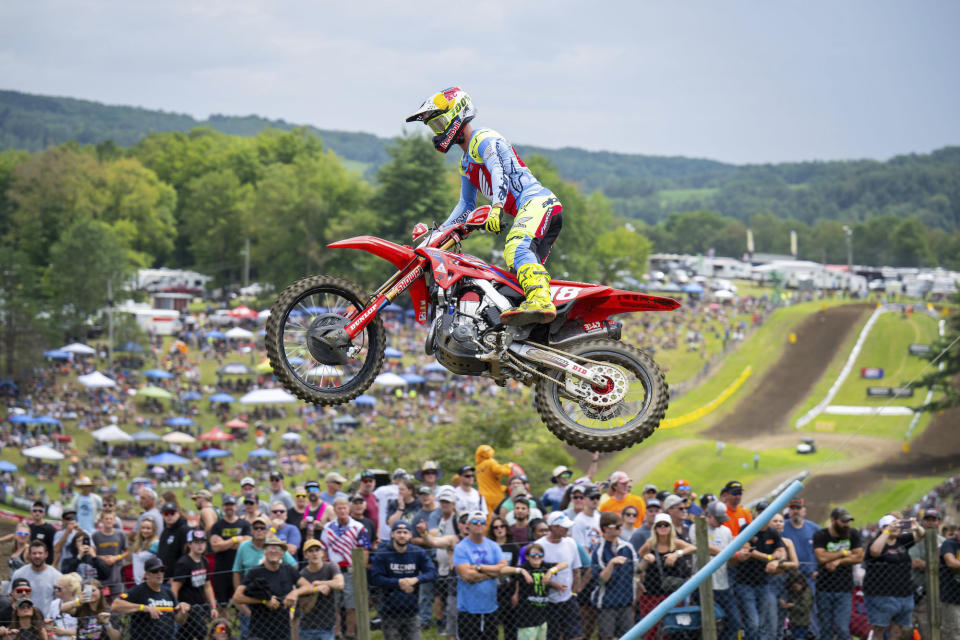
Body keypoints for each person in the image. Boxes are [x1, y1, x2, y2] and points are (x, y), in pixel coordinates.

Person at [406, 87, 564, 325]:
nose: (438, 132)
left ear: (457, 115)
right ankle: (535, 330)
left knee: (516, 248)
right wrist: (436, 237)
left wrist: (497, 207)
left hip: (538, 202)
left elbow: (497, 169)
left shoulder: (483, 138)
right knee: (513, 278)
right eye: (434, 127)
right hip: (532, 209)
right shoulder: (465, 164)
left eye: (440, 123)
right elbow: (465, 206)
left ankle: (541, 301)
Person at [232, 536, 312, 640]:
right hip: (259, 633)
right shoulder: (255, 572)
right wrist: (264, 601)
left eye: (277, 548)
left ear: (282, 553)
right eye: (270, 548)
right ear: (264, 552)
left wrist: (295, 593)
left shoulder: (288, 569)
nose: (273, 551)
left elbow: (309, 587)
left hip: (283, 632)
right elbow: (237, 597)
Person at [371, 520, 438, 640]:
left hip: (412, 611)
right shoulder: (383, 553)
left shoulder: (417, 552)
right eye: (399, 532)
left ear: (410, 535)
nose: (402, 535)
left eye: (405, 532)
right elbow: (376, 578)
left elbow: (432, 572)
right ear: (392, 534)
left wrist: (416, 579)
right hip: (389, 612)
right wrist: (398, 583)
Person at [863, 514, 923, 640]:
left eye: (897, 525)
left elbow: (921, 535)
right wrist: (887, 531)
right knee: (879, 630)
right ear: (882, 528)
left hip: (903, 595)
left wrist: (916, 527)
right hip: (880, 595)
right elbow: (875, 551)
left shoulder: (902, 541)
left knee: (897, 631)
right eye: (890, 525)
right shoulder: (877, 542)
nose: (895, 528)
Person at [732, 503, 786, 640]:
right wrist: (769, 558)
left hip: (763, 583)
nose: (762, 514)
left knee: (762, 622)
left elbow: (781, 550)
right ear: (755, 514)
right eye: (760, 511)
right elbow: (747, 549)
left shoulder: (772, 532)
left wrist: (775, 561)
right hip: (744, 583)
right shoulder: (747, 529)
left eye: (766, 512)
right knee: (753, 622)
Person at [636, 514, 695, 640]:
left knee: (671, 629)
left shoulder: (676, 543)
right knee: (650, 630)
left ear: (670, 527)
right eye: (659, 525)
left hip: (672, 594)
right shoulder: (650, 544)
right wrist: (646, 558)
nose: (662, 527)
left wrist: (677, 554)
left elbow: (693, 548)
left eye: (666, 525)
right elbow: (640, 556)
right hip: (651, 593)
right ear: (655, 528)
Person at [319, 497, 371, 640]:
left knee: (351, 605)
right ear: (334, 510)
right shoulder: (328, 528)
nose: (342, 511)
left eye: (344, 508)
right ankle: (336, 633)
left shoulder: (358, 527)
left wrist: (361, 571)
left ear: (349, 509)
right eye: (339, 508)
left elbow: (364, 550)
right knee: (333, 605)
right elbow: (323, 549)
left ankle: (351, 633)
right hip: (333, 571)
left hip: (351, 570)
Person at [452, 510, 509, 640]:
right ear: (468, 526)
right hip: (468, 610)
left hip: (490, 608)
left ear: (485, 525)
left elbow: (504, 568)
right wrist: (493, 573)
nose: (479, 524)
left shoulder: (493, 546)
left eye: (482, 522)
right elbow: (467, 576)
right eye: (475, 522)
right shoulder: (461, 548)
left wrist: (479, 568)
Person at [689, 500, 741, 640]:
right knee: (707, 622)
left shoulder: (726, 531)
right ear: (709, 516)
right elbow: (704, 548)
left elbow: (731, 559)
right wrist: (728, 553)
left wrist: (737, 557)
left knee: (734, 621)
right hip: (701, 584)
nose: (721, 522)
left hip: (722, 584)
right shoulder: (696, 528)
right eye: (719, 519)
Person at [813, 507, 864, 640]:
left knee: (842, 628)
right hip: (824, 589)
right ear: (833, 520)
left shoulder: (853, 533)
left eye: (848, 521)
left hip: (845, 589)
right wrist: (844, 552)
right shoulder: (821, 535)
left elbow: (859, 556)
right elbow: (822, 558)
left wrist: (838, 561)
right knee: (826, 629)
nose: (846, 525)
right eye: (843, 522)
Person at [112, 556, 190, 640]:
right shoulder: (138, 590)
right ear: (146, 575)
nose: (159, 574)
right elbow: (115, 605)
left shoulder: (168, 592)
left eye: (162, 570)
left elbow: (180, 621)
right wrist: (144, 607)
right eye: (155, 571)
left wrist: (183, 611)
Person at [535, 511, 584, 640]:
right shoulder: (539, 546)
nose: (567, 528)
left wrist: (573, 593)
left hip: (568, 600)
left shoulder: (571, 543)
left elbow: (576, 570)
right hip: (548, 602)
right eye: (563, 526)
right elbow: (536, 575)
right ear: (553, 527)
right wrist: (553, 584)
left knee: (576, 636)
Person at [590, 512, 638, 640]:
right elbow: (600, 580)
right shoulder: (598, 551)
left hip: (626, 602)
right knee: (607, 637)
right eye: (617, 527)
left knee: (628, 636)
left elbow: (638, 570)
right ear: (606, 528)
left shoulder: (628, 547)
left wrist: (646, 560)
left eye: (621, 526)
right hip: (607, 604)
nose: (620, 529)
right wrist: (611, 564)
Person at [513, 542, 568, 640]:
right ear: (527, 557)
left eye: (540, 555)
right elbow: (504, 570)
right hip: (527, 619)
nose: (537, 557)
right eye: (533, 555)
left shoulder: (545, 566)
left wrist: (550, 571)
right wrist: (522, 571)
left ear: (543, 557)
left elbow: (564, 564)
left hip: (542, 617)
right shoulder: (524, 568)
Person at [170, 530, 219, 640]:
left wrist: (213, 606)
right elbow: (174, 588)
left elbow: (207, 586)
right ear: (189, 544)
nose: (200, 545)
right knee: (204, 634)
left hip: (200, 607)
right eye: (196, 542)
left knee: (185, 636)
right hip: (187, 610)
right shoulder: (183, 563)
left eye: (202, 542)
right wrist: (176, 609)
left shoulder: (204, 561)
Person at [297, 539, 344, 640]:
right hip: (307, 628)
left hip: (327, 627)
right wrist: (316, 591)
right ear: (305, 555)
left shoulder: (331, 566)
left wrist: (320, 583)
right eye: (310, 551)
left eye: (317, 550)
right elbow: (305, 609)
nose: (314, 553)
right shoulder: (302, 575)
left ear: (322, 553)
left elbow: (340, 584)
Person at [910, 507, 945, 640]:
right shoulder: (913, 539)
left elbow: (945, 566)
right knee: (906, 631)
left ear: (939, 522)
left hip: (933, 593)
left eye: (933, 520)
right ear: (922, 522)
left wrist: (927, 565)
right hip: (911, 589)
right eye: (927, 520)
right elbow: (906, 560)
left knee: (930, 631)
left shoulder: (943, 542)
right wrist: (913, 563)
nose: (930, 523)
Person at [209, 495, 252, 603]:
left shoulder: (245, 524)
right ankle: (225, 621)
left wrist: (224, 543)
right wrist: (235, 539)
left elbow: (246, 543)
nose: (229, 507)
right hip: (221, 570)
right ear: (223, 507)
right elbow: (215, 547)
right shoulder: (217, 526)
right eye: (227, 505)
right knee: (222, 603)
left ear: (236, 507)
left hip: (240, 569)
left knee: (241, 601)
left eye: (231, 505)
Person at [410, 486, 442, 629]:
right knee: (425, 591)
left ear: (433, 495)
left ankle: (443, 620)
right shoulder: (418, 516)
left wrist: (431, 539)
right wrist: (430, 540)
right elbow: (412, 539)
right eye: (422, 495)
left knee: (442, 591)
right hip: (425, 558)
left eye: (427, 494)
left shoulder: (441, 512)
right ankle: (425, 620)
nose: (425, 497)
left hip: (443, 557)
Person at [488, 516, 521, 640]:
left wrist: (517, 593)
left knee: (510, 625)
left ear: (507, 528)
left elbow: (518, 573)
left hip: (509, 589)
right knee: (492, 624)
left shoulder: (513, 547)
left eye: (502, 526)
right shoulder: (489, 547)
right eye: (495, 527)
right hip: (493, 589)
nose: (499, 529)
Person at [11, 541, 62, 615]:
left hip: (46, 621)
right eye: (34, 553)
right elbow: (11, 597)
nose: (37, 556)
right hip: (23, 620)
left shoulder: (56, 576)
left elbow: (59, 602)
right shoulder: (19, 574)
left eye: (40, 553)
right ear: (29, 555)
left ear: (46, 554)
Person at [92, 511, 126, 599]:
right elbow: (92, 554)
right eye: (106, 519)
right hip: (101, 575)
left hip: (116, 575)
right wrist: (102, 558)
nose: (109, 521)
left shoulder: (120, 534)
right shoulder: (95, 535)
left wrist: (116, 558)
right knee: (101, 601)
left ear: (114, 521)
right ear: (101, 521)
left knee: (117, 600)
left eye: (111, 519)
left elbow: (128, 551)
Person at [157, 502, 190, 581]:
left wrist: (177, 577)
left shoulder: (184, 530)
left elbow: (187, 556)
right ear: (162, 515)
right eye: (166, 513)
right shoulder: (165, 530)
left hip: (177, 579)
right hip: (164, 577)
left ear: (178, 513)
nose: (169, 516)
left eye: (172, 513)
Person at [46, 572, 80, 640]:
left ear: (70, 590)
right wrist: (50, 632)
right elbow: (49, 628)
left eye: (59, 589)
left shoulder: (80, 604)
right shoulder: (54, 604)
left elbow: (86, 630)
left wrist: (66, 632)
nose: (56, 590)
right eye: (55, 587)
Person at [940, 525, 960, 639]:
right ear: (958, 532)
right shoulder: (949, 544)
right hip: (952, 596)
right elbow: (950, 562)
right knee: (953, 631)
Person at [783, 570, 814, 640]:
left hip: (802, 623)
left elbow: (805, 608)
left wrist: (792, 606)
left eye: (796, 587)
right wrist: (786, 604)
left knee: (799, 637)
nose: (794, 589)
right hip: (793, 622)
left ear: (801, 584)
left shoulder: (807, 593)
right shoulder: (793, 592)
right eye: (792, 587)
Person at [129, 517, 159, 585]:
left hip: (149, 583)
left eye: (148, 528)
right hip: (138, 582)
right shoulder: (139, 543)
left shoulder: (156, 544)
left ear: (153, 530)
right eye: (143, 528)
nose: (145, 530)